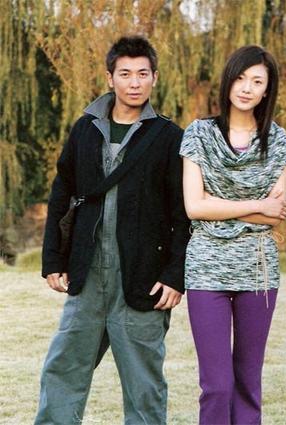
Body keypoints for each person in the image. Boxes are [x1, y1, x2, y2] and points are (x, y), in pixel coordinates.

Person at [37, 35, 189, 424]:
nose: (134, 82)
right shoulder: (85, 129)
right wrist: (53, 258)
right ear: (110, 78)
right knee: (63, 369)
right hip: (86, 273)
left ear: (154, 78)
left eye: (142, 73)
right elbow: (62, 193)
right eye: (125, 74)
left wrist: (175, 274)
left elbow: (182, 213)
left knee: (143, 384)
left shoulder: (170, 137)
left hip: (143, 277)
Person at [180, 45, 286, 425]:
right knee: (217, 385)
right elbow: (194, 206)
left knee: (248, 381)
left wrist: (218, 202)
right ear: (228, 80)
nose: (247, 88)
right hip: (206, 269)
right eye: (241, 78)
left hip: (258, 270)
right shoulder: (199, 134)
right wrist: (254, 205)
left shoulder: (278, 141)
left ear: (267, 90)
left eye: (257, 81)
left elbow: (274, 215)